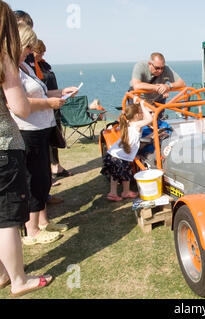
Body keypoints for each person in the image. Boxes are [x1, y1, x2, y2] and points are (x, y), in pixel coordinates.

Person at [0, 0, 52, 297]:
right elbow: (20, 107)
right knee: (6, 219)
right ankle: (18, 279)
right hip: (4, 145)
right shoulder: (4, 58)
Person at [13, 22, 79, 245]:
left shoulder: (25, 66)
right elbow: (20, 102)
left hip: (41, 127)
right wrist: (49, 102)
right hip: (27, 130)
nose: (31, 51)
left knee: (43, 177)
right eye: (29, 47)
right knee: (34, 179)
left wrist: (61, 92)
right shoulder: (12, 69)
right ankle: (31, 230)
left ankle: (43, 222)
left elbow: (40, 91)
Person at [25, 39, 73, 183]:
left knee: (55, 138)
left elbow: (50, 83)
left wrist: (61, 93)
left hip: (54, 104)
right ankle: (47, 174)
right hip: (42, 108)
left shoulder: (45, 65)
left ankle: (56, 166)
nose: (42, 54)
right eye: (39, 52)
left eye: (43, 52)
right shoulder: (28, 66)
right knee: (43, 144)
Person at [101, 102, 153, 201]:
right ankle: (125, 192)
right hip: (119, 158)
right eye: (142, 112)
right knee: (126, 175)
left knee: (115, 175)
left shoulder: (128, 123)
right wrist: (142, 105)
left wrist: (135, 101)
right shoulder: (136, 124)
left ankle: (114, 193)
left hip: (112, 155)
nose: (143, 114)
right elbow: (149, 119)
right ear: (137, 115)